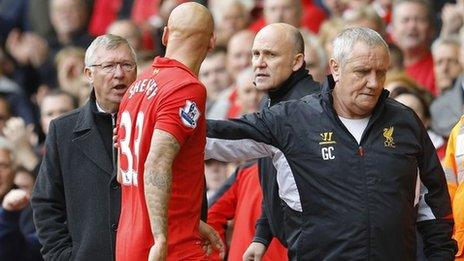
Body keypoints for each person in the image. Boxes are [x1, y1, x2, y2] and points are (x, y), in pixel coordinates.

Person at [206, 27, 456, 260]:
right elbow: (218, 137)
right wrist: (176, 115)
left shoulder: (405, 121)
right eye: (362, 71)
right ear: (335, 68)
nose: (373, 82)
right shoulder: (294, 119)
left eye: (381, 72)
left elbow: (434, 202)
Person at [115, 3, 223, 260]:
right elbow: (156, 163)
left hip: (129, 241)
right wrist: (162, 236)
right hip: (170, 246)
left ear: (165, 36)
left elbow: (123, 173)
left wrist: (191, 221)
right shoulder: (187, 88)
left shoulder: (136, 86)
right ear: (212, 42)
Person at [31, 34, 137, 260]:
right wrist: (63, 256)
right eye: (109, 66)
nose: (119, 74)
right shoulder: (63, 130)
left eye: (127, 65)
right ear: (89, 74)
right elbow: (46, 203)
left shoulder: (154, 124)